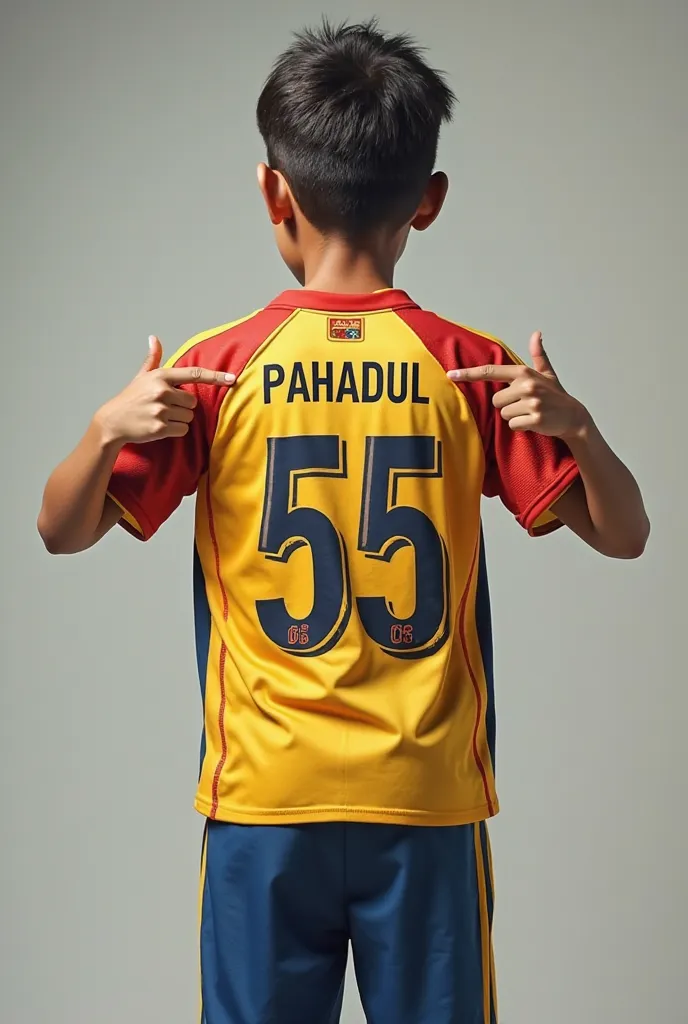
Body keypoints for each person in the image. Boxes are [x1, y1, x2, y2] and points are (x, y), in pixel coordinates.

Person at [37, 19, 649, 1024]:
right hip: (426, 799)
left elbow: (58, 528)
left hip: (265, 804)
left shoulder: (218, 367)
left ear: (273, 193)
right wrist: (575, 425)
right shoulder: (469, 365)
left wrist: (107, 429)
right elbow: (624, 534)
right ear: (430, 201)